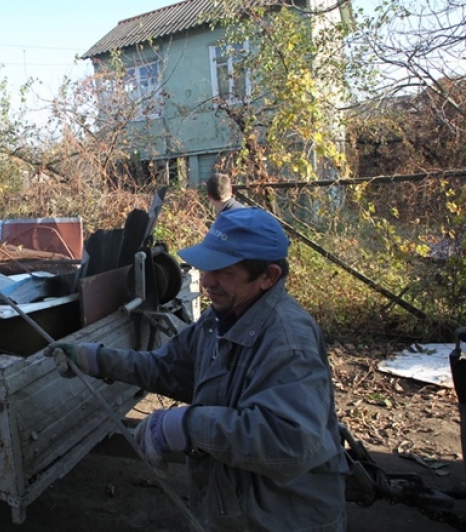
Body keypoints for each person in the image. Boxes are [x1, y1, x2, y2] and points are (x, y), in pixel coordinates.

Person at [45, 207, 348, 531]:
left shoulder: (287, 341)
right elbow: (167, 366)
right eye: (206, 267)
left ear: (268, 277)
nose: (206, 282)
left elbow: (290, 441)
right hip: (230, 508)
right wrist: (96, 359)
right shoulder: (219, 319)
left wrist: (188, 425)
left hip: (280, 518)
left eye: (224, 272)